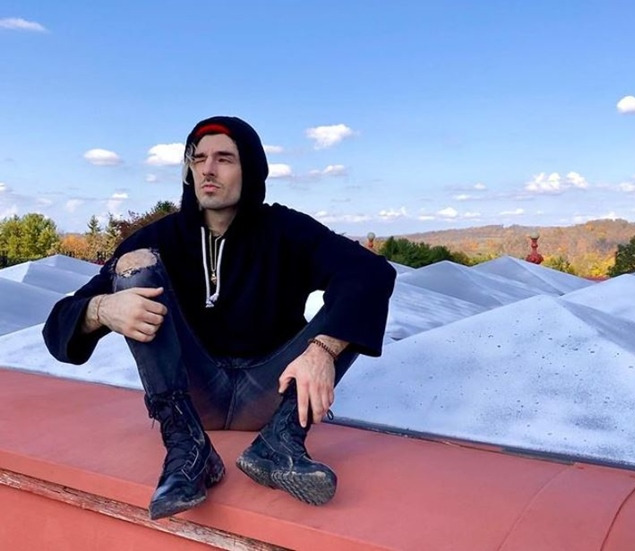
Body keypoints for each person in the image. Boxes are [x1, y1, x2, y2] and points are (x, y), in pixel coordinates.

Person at [43, 116, 396, 520]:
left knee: (359, 292)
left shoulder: (285, 229)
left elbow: (372, 272)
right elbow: (57, 328)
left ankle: (279, 444)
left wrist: (323, 350)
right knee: (133, 268)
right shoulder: (160, 239)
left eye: (224, 159)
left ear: (251, 170)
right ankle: (187, 448)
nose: (208, 169)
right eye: (199, 159)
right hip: (195, 397)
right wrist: (103, 309)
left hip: (272, 393)